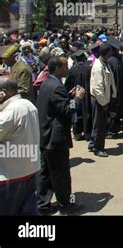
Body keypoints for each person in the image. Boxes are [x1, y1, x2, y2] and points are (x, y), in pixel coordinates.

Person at [36, 56, 86, 215]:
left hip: (45, 136)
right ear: (57, 68)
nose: (67, 68)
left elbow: (56, 105)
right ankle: (66, 204)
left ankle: (42, 204)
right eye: (65, 66)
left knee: (45, 173)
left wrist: (68, 95)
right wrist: (78, 99)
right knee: (60, 173)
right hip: (55, 139)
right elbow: (67, 110)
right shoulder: (56, 86)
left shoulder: (47, 83)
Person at [0, 77, 40, 215]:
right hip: (29, 170)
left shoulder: (9, 112)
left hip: (10, 175)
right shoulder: (27, 104)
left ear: (3, 92)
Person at [89, 43, 116, 157]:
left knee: (98, 124)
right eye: (110, 52)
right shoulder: (98, 67)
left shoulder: (105, 63)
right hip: (99, 100)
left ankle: (93, 143)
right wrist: (104, 103)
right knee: (100, 125)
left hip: (103, 99)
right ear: (106, 53)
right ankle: (98, 148)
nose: (112, 54)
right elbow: (97, 88)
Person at [64, 49, 92, 141]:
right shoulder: (88, 68)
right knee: (87, 112)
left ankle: (77, 133)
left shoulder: (72, 70)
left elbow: (67, 85)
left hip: (74, 96)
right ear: (84, 58)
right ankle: (88, 133)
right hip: (87, 95)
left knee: (75, 113)